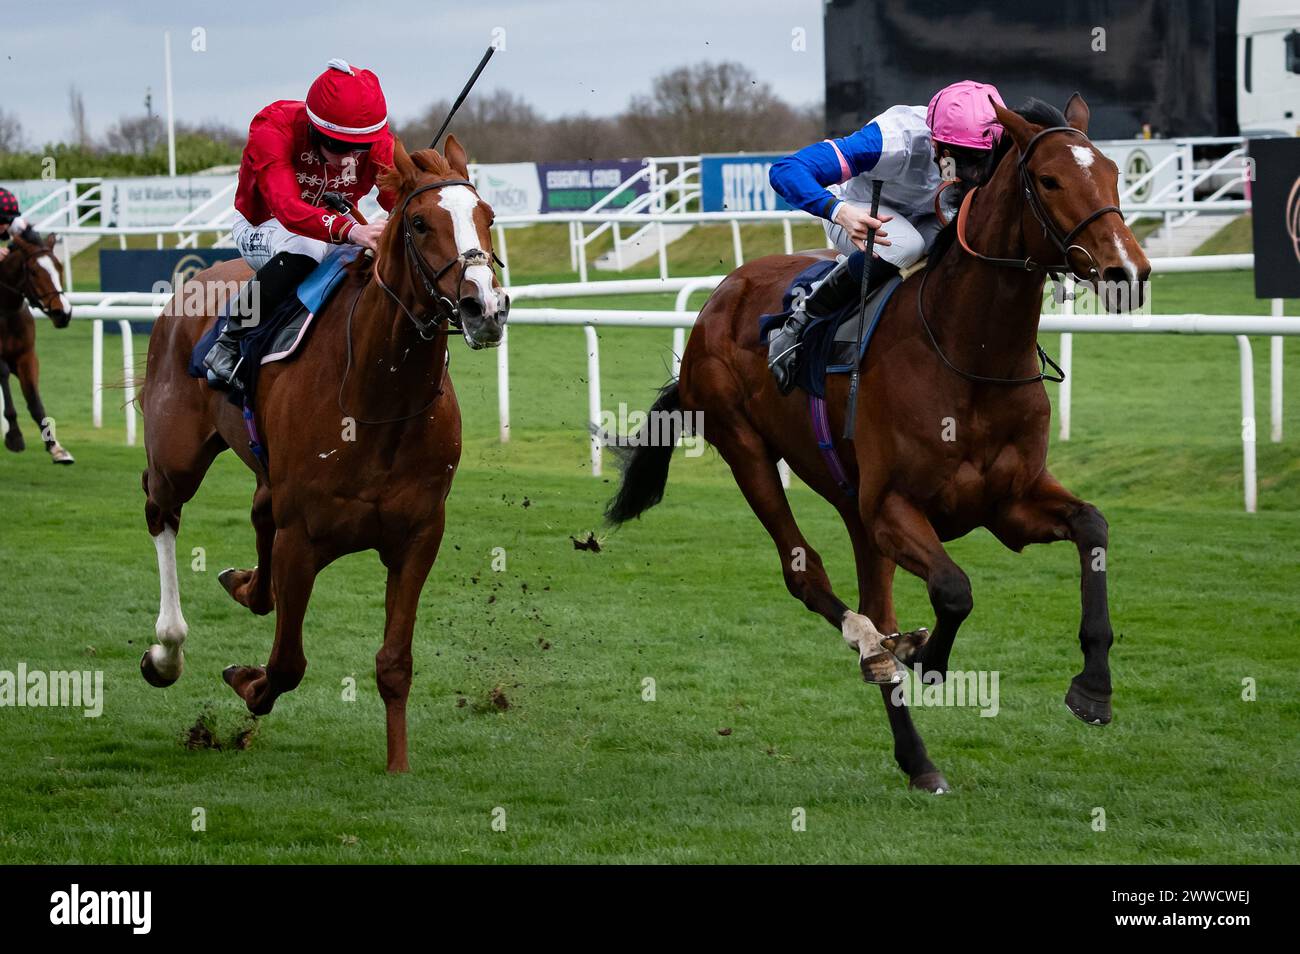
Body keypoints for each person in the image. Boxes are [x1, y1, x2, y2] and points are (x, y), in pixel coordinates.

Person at [764, 80, 1006, 394]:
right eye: (962, 160)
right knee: (907, 246)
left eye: (980, 159)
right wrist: (839, 212)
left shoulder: (993, 141)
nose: (971, 173)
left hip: (927, 212)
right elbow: (786, 169)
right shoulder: (890, 139)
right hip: (860, 210)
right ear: (935, 144)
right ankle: (800, 320)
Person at [203, 58, 398, 389]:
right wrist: (351, 230)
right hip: (265, 223)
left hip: (333, 219)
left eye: (360, 148)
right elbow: (288, 209)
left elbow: (397, 197)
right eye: (338, 146)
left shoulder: (376, 142)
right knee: (306, 249)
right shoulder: (273, 129)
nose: (350, 158)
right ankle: (230, 337)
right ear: (313, 127)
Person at [0, 187, 40, 260]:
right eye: (1, 220)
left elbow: (36, 241)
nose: (4, 225)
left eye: (8, 219)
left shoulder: (16, 222)